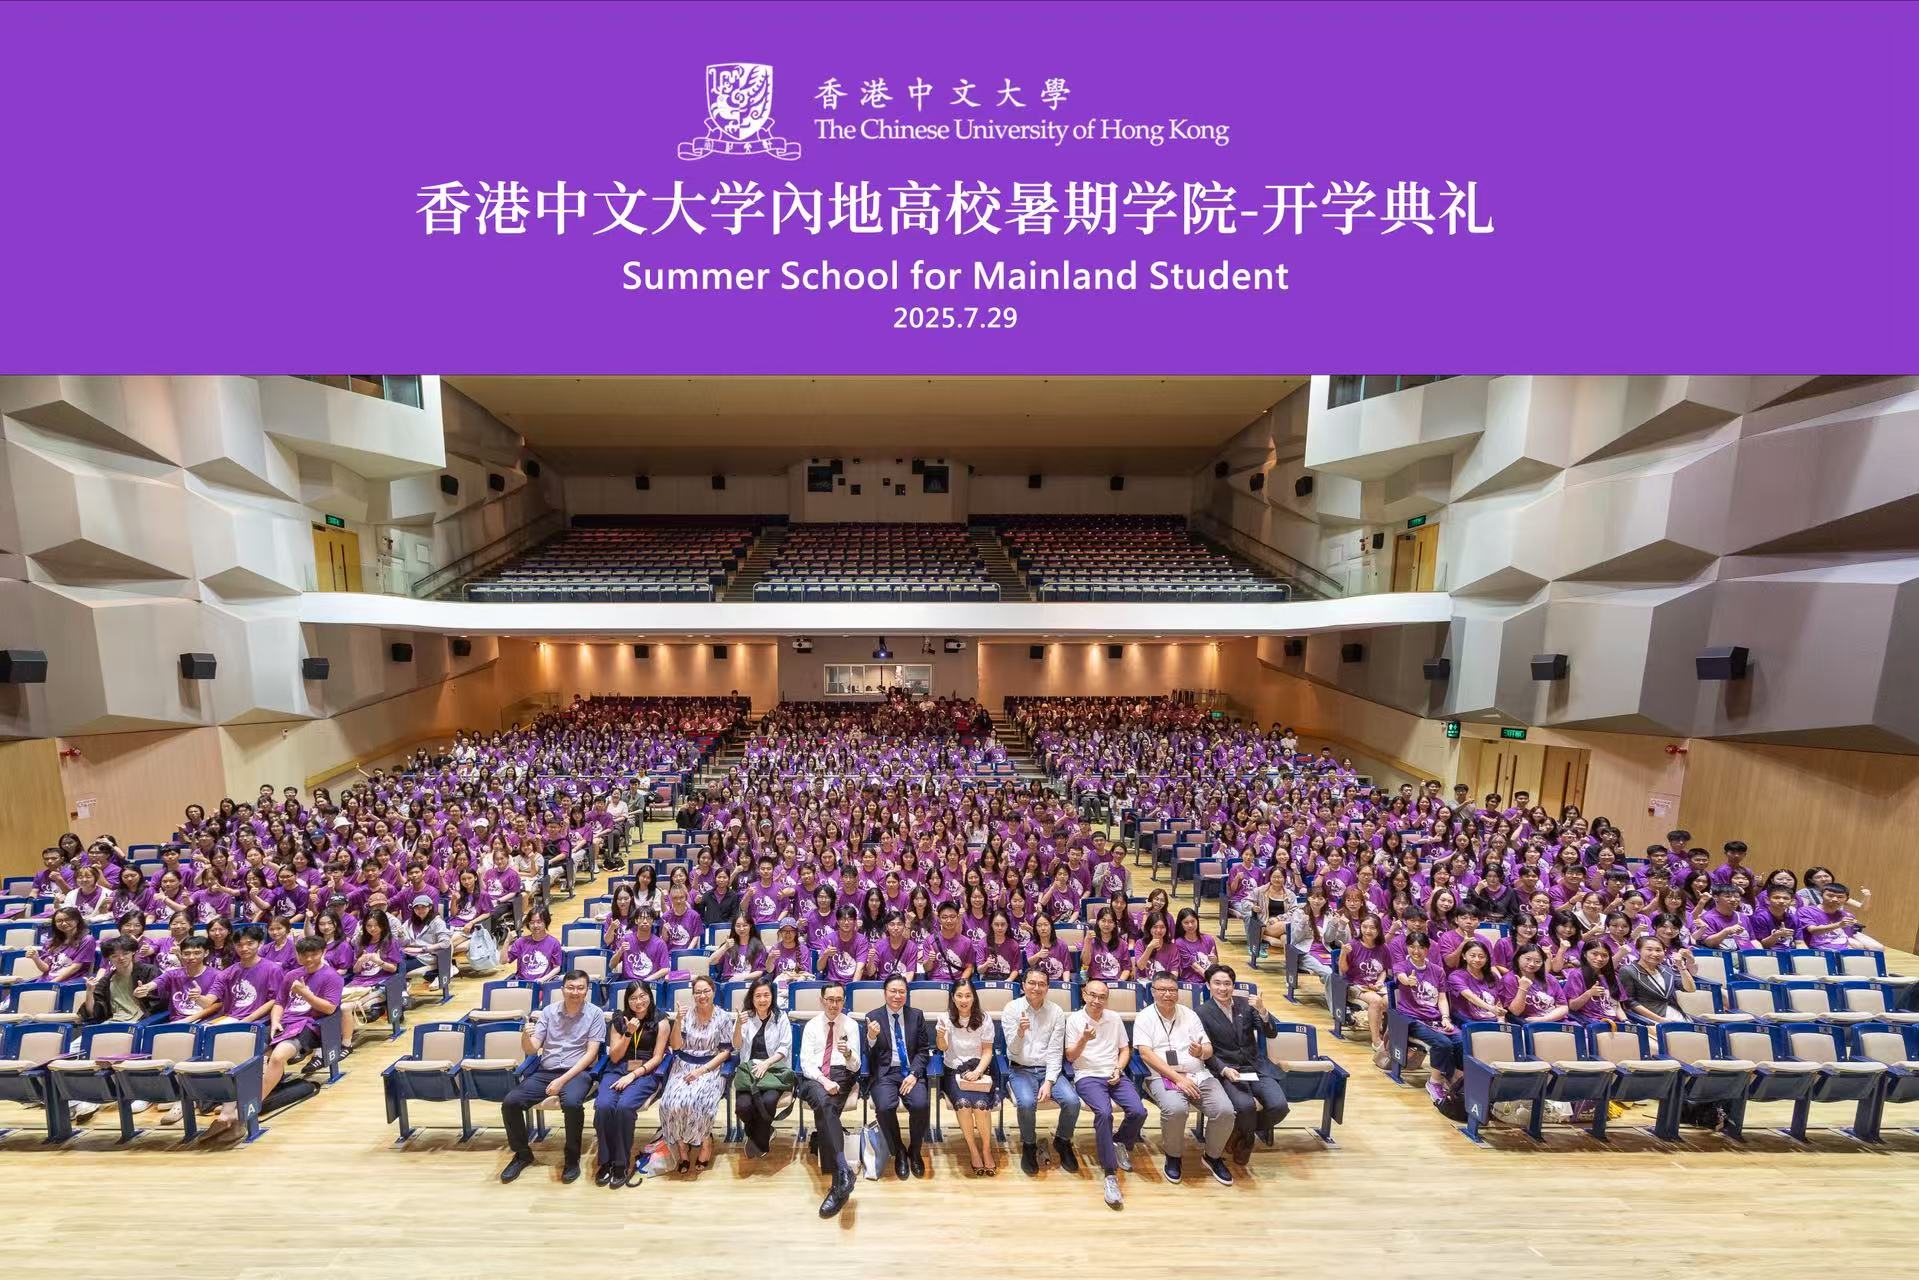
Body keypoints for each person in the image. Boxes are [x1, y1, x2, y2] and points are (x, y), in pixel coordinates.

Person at [500, 969, 607, 1185]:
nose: (575, 992)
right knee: (511, 1102)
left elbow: (591, 1055)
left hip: (578, 1072)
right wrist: (525, 1036)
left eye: (580, 988)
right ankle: (522, 1154)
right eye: (570, 987)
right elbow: (532, 1049)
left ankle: (572, 1159)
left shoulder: (595, 1014)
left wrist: (562, 1080)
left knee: (572, 1104)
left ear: (587, 990)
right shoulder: (548, 1012)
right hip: (545, 1071)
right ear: (562, 989)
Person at [1133, 971, 1236, 1185]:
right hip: (1161, 1076)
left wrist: (1201, 1052)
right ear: (1153, 992)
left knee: (1225, 1111)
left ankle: (1213, 1156)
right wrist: (1178, 1079)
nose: (1168, 994)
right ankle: (1173, 1156)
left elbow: (1208, 1048)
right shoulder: (1144, 1017)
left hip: (1198, 1074)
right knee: (1176, 1110)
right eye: (1162, 990)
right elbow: (1145, 1054)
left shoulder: (1190, 1015)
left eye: (1172, 990)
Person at [1064, 978, 1146, 1210]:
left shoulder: (1114, 1018)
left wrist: (1119, 1069)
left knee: (1139, 1111)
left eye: (1102, 997)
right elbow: (1070, 1056)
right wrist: (1084, 1039)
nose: (1097, 1000)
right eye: (1093, 995)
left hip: (1114, 1073)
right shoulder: (1074, 1020)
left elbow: (1124, 1050)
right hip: (1087, 1075)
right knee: (1104, 1113)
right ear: (1084, 995)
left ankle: (1119, 1142)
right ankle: (1110, 1174)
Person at [1197, 964, 1290, 1161]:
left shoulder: (1246, 1005)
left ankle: (1241, 1130)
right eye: (1217, 983)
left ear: (1233, 985)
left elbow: (1271, 1033)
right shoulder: (1201, 1013)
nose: (1223, 988)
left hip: (1256, 1067)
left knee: (1279, 1106)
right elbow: (1206, 1051)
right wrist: (1223, 1069)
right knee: (1245, 1106)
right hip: (1228, 1070)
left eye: (1227, 984)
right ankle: (1247, 1140)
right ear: (1208, 985)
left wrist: (1263, 1011)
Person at [1001, 965, 1082, 1176]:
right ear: (1023, 985)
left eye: (1042, 984)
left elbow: (1055, 1051)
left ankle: (1062, 1140)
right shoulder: (1012, 1009)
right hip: (1020, 1069)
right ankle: (1029, 1145)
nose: (1036, 988)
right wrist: (1020, 1032)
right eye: (1032, 983)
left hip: (1048, 1069)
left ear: (1047, 987)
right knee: (1027, 1103)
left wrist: (1049, 1081)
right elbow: (1012, 1050)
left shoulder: (1056, 1012)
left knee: (1072, 1102)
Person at [594, 980, 668, 1187]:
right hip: (617, 1068)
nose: (639, 1001)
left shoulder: (661, 1020)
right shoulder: (619, 1020)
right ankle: (606, 1162)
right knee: (603, 1106)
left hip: (645, 1071)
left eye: (642, 996)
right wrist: (628, 1033)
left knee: (624, 1107)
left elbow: (658, 1057)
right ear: (627, 1000)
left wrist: (633, 1075)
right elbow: (615, 1056)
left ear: (649, 996)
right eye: (633, 998)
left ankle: (621, 1163)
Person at [657, 974, 733, 1171]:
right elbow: (676, 1046)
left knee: (697, 1102)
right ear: (693, 995)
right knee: (670, 1103)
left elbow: (725, 1052)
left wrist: (702, 1070)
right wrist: (677, 1021)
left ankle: (705, 1141)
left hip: (710, 1068)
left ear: (713, 992)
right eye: (698, 992)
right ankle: (682, 1147)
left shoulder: (723, 1017)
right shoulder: (686, 1015)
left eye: (706, 991)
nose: (702, 995)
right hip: (683, 1065)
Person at [797, 982, 861, 1218]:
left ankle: (840, 1182)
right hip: (814, 1077)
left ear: (844, 1001)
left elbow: (856, 1066)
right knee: (826, 1104)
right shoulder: (812, 1025)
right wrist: (824, 1082)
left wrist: (848, 1054)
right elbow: (805, 1063)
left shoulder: (851, 1025)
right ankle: (843, 1172)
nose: (834, 1005)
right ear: (821, 1000)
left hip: (841, 1074)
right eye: (830, 1000)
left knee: (826, 1110)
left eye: (839, 1000)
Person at [863, 973, 932, 1178]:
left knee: (921, 1105)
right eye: (893, 991)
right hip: (885, 1073)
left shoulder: (916, 1015)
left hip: (910, 1072)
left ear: (907, 994)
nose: (897, 995)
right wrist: (871, 1037)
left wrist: (914, 1074)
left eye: (902, 991)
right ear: (884, 993)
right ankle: (899, 1150)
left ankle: (915, 1150)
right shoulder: (873, 1016)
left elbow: (923, 1050)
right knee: (884, 1107)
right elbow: (868, 1054)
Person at [935, 978, 999, 1175]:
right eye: (959, 996)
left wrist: (978, 1071)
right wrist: (940, 1036)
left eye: (968, 996)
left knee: (980, 1106)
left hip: (980, 1070)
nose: (964, 1000)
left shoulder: (984, 1018)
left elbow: (987, 1051)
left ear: (974, 998)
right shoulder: (945, 1018)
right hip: (954, 1072)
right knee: (963, 1105)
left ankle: (986, 1149)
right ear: (953, 997)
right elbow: (943, 1048)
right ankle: (973, 1151)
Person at [1393, 932, 1462, 1108]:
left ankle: (1455, 1077)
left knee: (1461, 1040)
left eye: (1421, 947)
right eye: (1412, 947)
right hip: (1412, 1019)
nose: (1416, 951)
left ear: (1428, 949)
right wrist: (1408, 981)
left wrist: (1445, 1018)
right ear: (1407, 947)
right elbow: (1401, 978)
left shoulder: (1438, 971)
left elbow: (1442, 998)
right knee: (1443, 1043)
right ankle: (1435, 1082)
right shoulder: (1401, 966)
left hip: (1436, 1018)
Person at [266, 937, 343, 1094]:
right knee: (253, 1053)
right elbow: (279, 1003)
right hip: (285, 1023)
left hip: (310, 1026)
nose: (308, 959)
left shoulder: (332, 977)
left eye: (314, 954)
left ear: (323, 952)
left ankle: (255, 1103)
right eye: (304, 955)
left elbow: (329, 1009)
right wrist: (275, 1021)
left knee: (278, 1056)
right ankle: (265, 1089)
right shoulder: (291, 975)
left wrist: (305, 993)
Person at [732, 975, 794, 1158]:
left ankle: (758, 1141)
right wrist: (738, 1025)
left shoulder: (781, 1017)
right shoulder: (745, 1017)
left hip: (774, 1071)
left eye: (766, 995)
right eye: (758, 996)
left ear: (772, 996)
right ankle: (764, 1131)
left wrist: (767, 1063)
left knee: (767, 1101)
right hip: (749, 1071)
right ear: (752, 998)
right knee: (743, 1106)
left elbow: (784, 1047)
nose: (762, 1000)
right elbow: (736, 1046)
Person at [76, 935, 165, 1025]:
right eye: (115, 956)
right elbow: (92, 1013)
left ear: (133, 952)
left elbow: (162, 1003)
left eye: (125, 953)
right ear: (108, 958)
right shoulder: (105, 981)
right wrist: (89, 991)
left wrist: (146, 993)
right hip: (111, 1022)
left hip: (141, 1022)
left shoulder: (149, 971)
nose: (121, 958)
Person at [1618, 934, 1697, 1023]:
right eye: (1649, 949)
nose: (1655, 954)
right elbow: (1630, 1002)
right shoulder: (1628, 971)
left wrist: (1681, 967)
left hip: (1676, 1014)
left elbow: (1690, 989)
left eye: (1658, 950)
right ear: (1638, 950)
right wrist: (1659, 1020)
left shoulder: (1666, 970)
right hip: (1649, 1020)